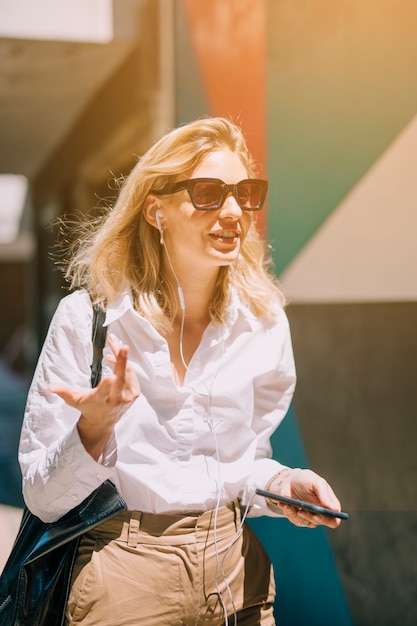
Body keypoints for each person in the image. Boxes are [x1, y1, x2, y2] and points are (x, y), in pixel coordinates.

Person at [18, 117, 343, 626]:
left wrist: (284, 485)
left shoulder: (262, 322)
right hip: (123, 576)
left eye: (245, 193)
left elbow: (242, 465)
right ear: (156, 210)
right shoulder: (89, 319)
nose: (234, 211)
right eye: (209, 193)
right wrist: (93, 430)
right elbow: (41, 497)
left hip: (236, 573)